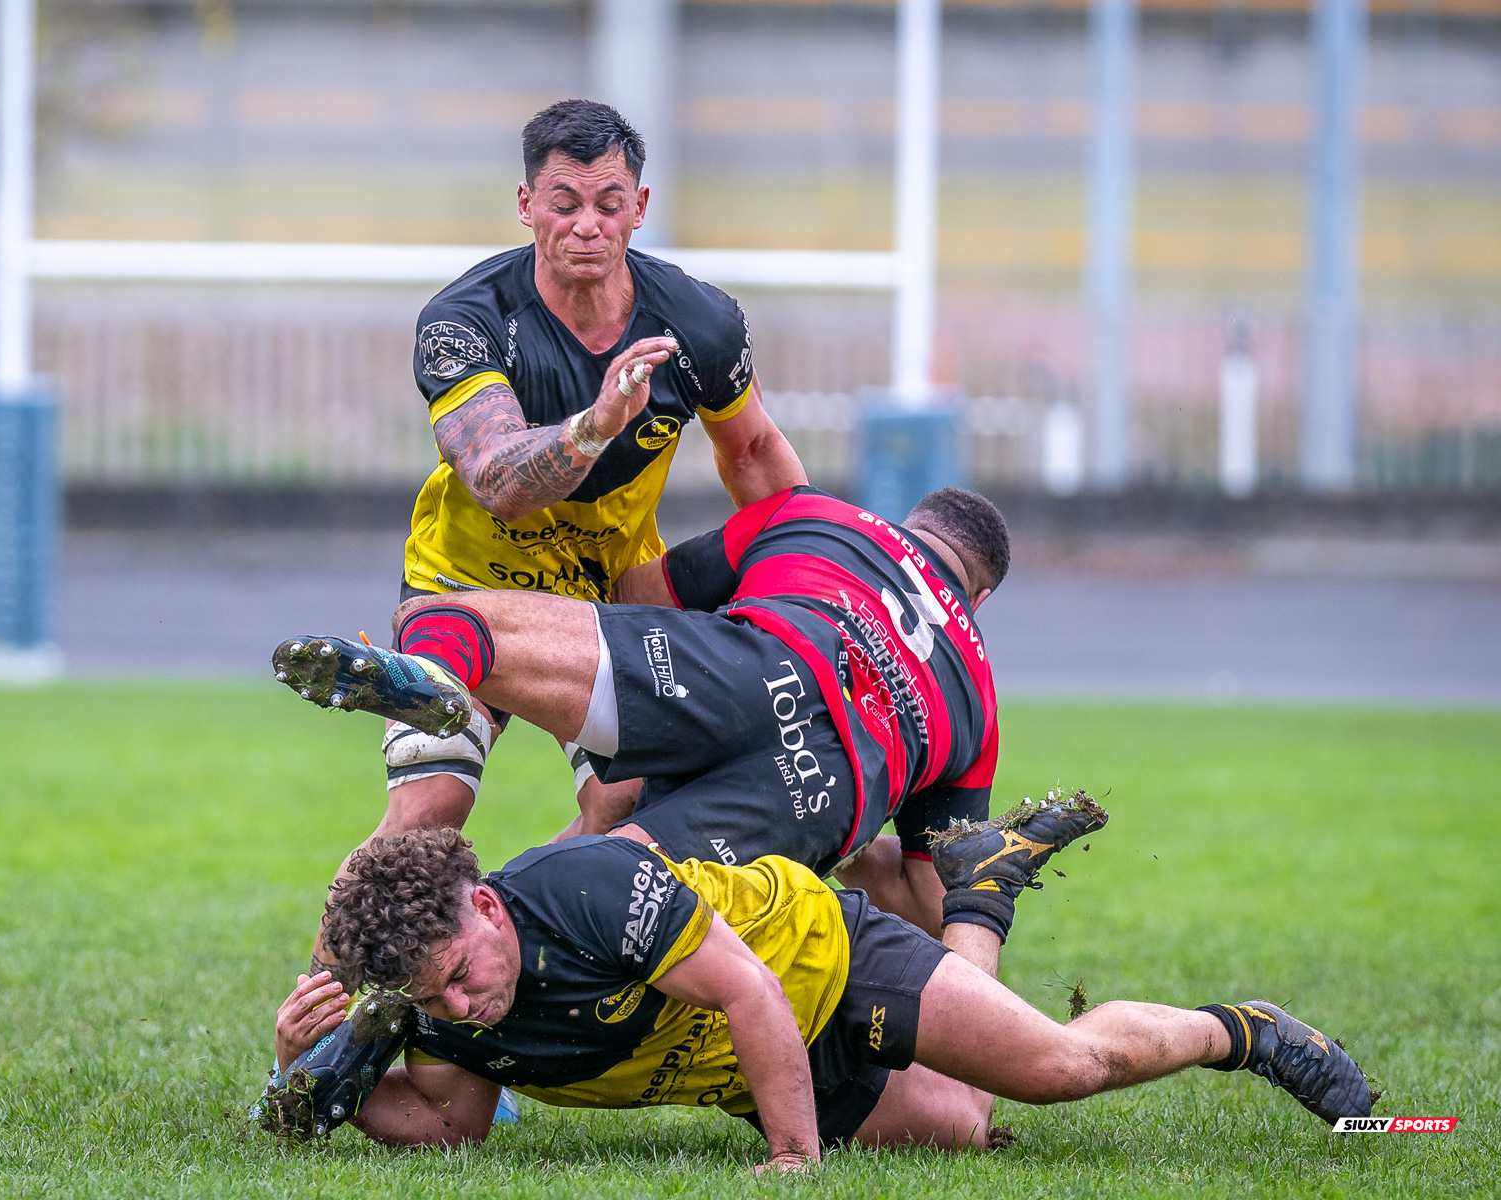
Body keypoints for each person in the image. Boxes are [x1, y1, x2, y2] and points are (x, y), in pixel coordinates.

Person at [265, 825, 1374, 1169]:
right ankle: (981, 894)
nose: (462, 1008)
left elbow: (749, 994)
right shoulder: (441, 1007)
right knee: (964, 1126)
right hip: (755, 1069)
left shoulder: (584, 891)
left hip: (818, 961)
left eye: (461, 973)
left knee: (1054, 1070)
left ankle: (1247, 1033)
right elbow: (450, 1125)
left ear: (490, 910)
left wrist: (795, 1163)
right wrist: (304, 1077)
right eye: (433, 1002)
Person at [277, 484, 1003, 932]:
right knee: (585, 899)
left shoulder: (827, 517)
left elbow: (643, 594)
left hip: (749, 668)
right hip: (822, 791)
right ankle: (460, 969)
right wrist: (850, 841)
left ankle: (438, 668)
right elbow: (933, 900)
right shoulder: (977, 694)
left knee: (455, 618)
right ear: (978, 600)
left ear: (906, 525)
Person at [379, 97, 806, 848]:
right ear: (526, 205)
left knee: (628, 808)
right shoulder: (463, 321)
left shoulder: (699, 325)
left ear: (639, 208)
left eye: (609, 205)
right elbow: (498, 482)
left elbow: (752, 454)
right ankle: (325, 968)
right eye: (565, 202)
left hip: (608, 603)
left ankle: (512, 918)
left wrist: (814, 581)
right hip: (463, 589)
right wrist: (595, 424)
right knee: (427, 816)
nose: (587, 225)